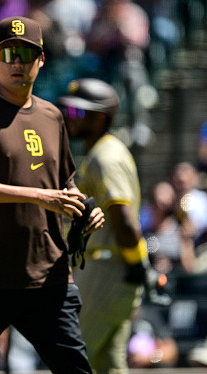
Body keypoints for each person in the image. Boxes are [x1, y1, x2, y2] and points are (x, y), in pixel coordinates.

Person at [0, 16, 104, 374]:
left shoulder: (52, 115)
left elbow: (66, 185)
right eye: (8, 54)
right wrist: (39, 197)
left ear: (41, 60)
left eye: (26, 55)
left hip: (47, 277)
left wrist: (84, 210)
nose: (17, 63)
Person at [60, 78, 168, 373]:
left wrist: (139, 263)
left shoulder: (106, 157)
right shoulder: (99, 152)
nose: (70, 118)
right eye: (69, 111)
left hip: (108, 267)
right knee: (107, 364)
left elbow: (123, 218)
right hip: (110, 268)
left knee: (71, 357)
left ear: (100, 117)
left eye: (78, 113)